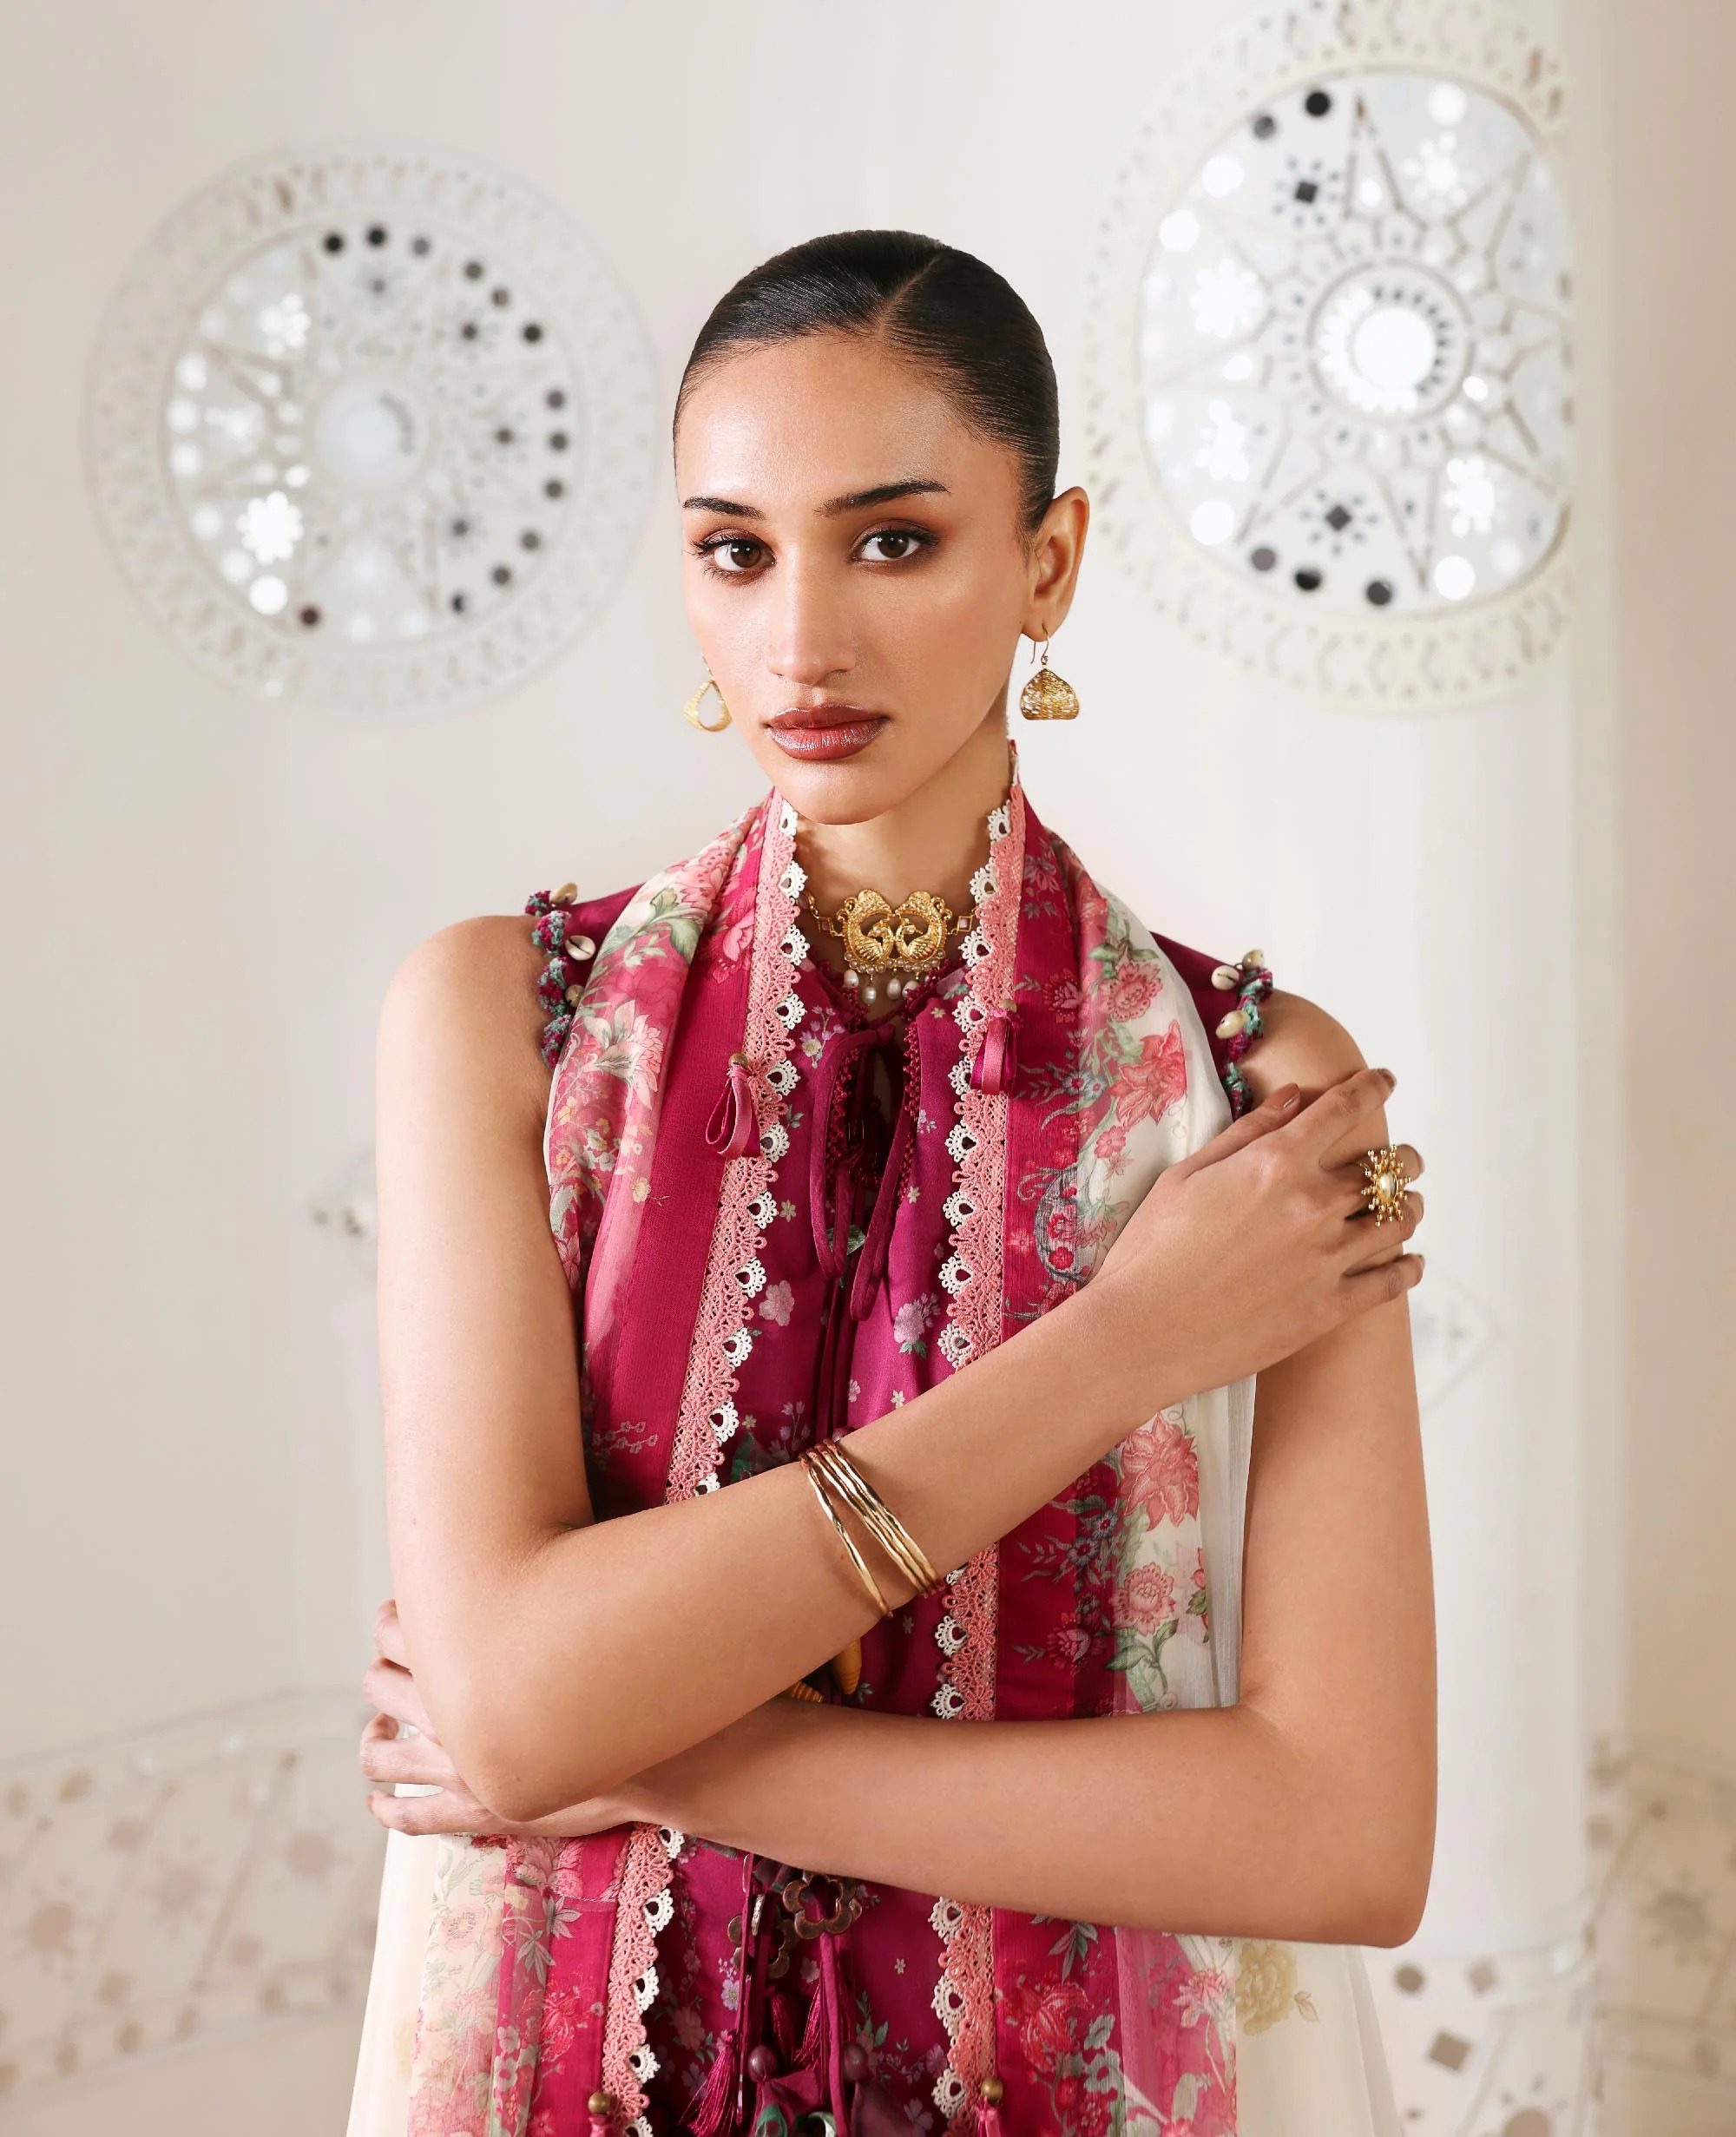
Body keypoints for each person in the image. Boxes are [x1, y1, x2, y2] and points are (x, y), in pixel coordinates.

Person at [346, 229, 1432, 2137]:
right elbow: (511, 1711)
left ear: (1049, 561)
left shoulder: (1251, 1094)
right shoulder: (506, 1030)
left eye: (894, 541)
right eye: (735, 550)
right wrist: (1124, 1347)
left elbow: (1340, 1835)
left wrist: (655, 1745)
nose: (802, 642)